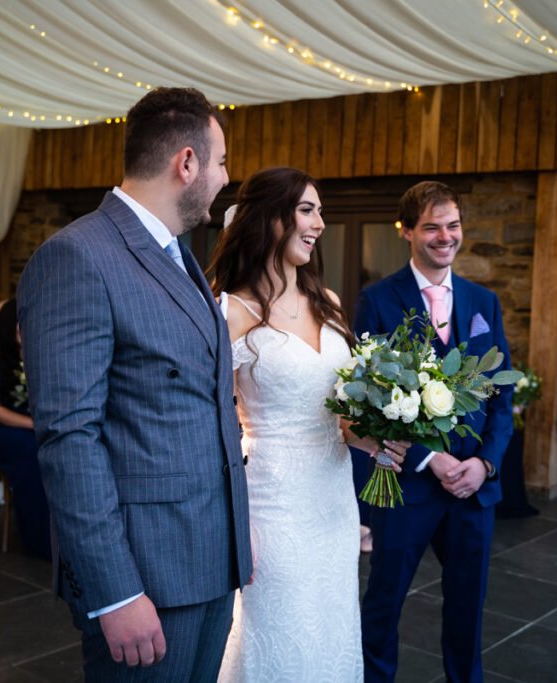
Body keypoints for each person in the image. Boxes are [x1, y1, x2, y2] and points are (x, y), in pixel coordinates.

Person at [17, 87, 251, 682]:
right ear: (187, 164)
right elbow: (70, 438)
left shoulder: (178, 254)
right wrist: (115, 592)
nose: (227, 177)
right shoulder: (77, 256)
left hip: (209, 562)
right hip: (145, 575)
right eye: (221, 161)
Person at [207, 167, 407, 681]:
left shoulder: (329, 303)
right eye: (306, 209)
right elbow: (210, 425)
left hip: (333, 500)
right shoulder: (229, 311)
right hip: (270, 502)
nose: (319, 223)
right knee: (277, 627)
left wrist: (378, 438)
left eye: (320, 211)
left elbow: (339, 418)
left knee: (330, 624)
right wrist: (228, 525)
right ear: (269, 218)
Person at [354, 181, 514, 683]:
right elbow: (370, 400)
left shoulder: (483, 301)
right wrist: (430, 458)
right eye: (431, 227)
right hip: (408, 486)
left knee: (468, 612)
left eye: (453, 225)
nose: (445, 237)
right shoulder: (377, 300)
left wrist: (484, 464)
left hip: (471, 488)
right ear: (405, 232)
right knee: (383, 606)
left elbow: (501, 397)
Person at [0, 299, 51, 559]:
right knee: (32, 454)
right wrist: (34, 424)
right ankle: (39, 540)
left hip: (30, 425)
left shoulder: (35, 354)